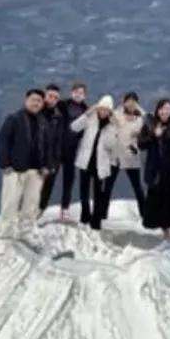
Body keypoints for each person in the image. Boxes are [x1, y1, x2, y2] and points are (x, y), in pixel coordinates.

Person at [0, 89, 55, 239]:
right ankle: (6, 234)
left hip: (36, 171)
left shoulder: (43, 123)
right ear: (26, 100)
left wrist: (47, 165)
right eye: (33, 100)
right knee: (10, 202)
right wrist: (5, 163)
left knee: (31, 203)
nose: (36, 103)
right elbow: (2, 140)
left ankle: (25, 232)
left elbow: (48, 145)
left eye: (39, 101)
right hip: (15, 169)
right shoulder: (14, 119)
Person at [137, 97, 170, 243]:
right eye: (162, 109)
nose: (165, 112)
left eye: (168, 109)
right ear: (158, 110)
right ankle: (165, 232)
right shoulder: (150, 124)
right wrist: (154, 135)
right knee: (160, 203)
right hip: (156, 171)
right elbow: (141, 144)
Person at [69, 94, 119, 230]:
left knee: (98, 194)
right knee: (83, 192)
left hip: (100, 164)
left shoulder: (111, 125)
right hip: (85, 161)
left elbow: (111, 145)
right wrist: (86, 114)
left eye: (106, 110)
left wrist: (114, 128)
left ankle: (96, 221)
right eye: (101, 108)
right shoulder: (90, 118)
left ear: (110, 112)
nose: (103, 112)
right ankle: (85, 216)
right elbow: (74, 127)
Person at [104, 91, 146, 220]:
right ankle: (101, 214)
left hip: (131, 156)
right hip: (115, 156)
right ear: (124, 102)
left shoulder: (140, 119)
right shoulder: (116, 114)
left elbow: (145, 135)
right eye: (129, 101)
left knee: (138, 188)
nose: (131, 104)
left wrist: (137, 148)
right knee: (107, 187)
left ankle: (146, 215)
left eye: (134, 101)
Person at [56, 82, 89, 222]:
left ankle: (65, 208)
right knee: (48, 180)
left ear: (84, 95)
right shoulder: (62, 105)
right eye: (76, 92)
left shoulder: (87, 110)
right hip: (57, 149)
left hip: (73, 151)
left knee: (68, 180)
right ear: (71, 93)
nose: (78, 94)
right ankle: (39, 206)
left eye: (81, 92)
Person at [37, 83, 65, 215]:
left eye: (55, 97)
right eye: (50, 96)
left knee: (47, 188)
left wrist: (55, 161)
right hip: (34, 159)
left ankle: (40, 212)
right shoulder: (35, 113)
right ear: (45, 95)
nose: (52, 99)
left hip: (52, 159)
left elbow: (58, 140)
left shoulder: (58, 117)